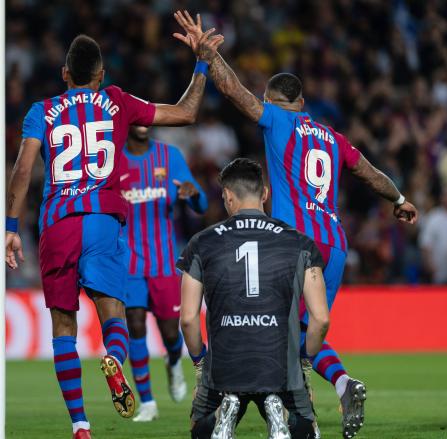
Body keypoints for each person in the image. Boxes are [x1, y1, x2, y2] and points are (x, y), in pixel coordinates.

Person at [173, 12, 418, 438]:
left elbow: (235, 93)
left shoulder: (275, 119)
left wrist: (210, 57)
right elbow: (370, 173)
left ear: (274, 101)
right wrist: (398, 199)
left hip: (292, 244)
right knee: (305, 329)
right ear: (302, 103)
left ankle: (275, 413)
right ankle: (339, 384)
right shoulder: (332, 137)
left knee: (271, 327)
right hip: (335, 243)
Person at [4, 29, 224, 439]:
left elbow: (22, 169)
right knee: (114, 310)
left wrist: (11, 228)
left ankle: (81, 426)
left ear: (65, 73)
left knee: (63, 326)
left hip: (58, 222)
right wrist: (200, 63)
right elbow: (186, 112)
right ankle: (115, 359)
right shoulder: (117, 101)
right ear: (101, 74)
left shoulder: (42, 110)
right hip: (103, 219)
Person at [178, 158, 330, 439]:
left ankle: (226, 411)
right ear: (265, 194)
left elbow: (188, 319)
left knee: (198, 429)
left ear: (227, 196)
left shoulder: (202, 243)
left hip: (223, 368)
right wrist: (305, 366)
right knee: (308, 431)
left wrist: (200, 365)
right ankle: (280, 412)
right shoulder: (299, 242)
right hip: (280, 367)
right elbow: (320, 319)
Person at [121, 125, 208, 421]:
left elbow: (202, 204)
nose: (144, 123)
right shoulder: (115, 161)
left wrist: (193, 194)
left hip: (163, 262)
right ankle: (147, 401)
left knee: (172, 332)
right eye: (138, 117)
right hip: (128, 262)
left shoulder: (168, 156)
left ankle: (173, 362)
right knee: (134, 324)